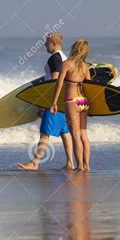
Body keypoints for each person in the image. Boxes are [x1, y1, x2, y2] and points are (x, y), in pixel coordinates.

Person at [17, 32, 74, 171]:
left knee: (45, 133)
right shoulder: (65, 58)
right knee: (64, 132)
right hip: (63, 101)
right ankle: (70, 163)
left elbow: (54, 82)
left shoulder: (54, 58)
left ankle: (34, 163)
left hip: (52, 101)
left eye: (47, 42)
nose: (44, 45)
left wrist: (45, 104)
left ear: (53, 43)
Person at [50, 39, 91, 172]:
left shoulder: (67, 64)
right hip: (83, 102)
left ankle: (80, 166)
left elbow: (59, 84)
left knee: (75, 135)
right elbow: (90, 87)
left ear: (75, 48)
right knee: (84, 135)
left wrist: (54, 102)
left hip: (72, 101)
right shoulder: (85, 67)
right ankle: (87, 166)